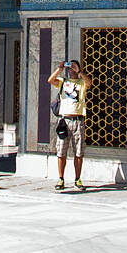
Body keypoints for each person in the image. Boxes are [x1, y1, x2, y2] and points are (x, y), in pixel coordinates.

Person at [47, 60, 88, 191]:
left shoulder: (81, 83)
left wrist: (79, 71)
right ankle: (61, 179)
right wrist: (59, 69)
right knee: (61, 151)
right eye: (69, 69)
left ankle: (78, 179)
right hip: (64, 121)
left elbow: (89, 83)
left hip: (78, 121)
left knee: (79, 152)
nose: (71, 70)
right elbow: (50, 80)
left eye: (73, 68)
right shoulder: (63, 82)